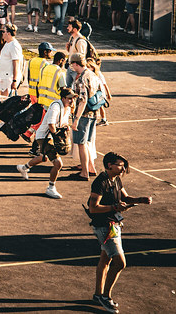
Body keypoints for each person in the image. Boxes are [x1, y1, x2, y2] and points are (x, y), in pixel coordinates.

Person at [87, 152, 152, 313]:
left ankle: (98, 294)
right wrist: (114, 207)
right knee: (120, 263)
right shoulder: (100, 182)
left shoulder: (116, 179)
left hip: (113, 224)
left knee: (105, 260)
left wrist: (139, 200)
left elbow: (125, 197)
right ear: (109, 165)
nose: (123, 169)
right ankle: (106, 297)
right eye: (120, 165)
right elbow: (93, 208)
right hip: (105, 227)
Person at [16, 86, 74, 199]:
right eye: (69, 98)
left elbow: (63, 123)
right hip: (44, 137)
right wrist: (57, 137)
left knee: (43, 158)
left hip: (48, 136)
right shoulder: (56, 106)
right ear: (63, 98)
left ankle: (23, 168)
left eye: (73, 98)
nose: (72, 101)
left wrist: (66, 127)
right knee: (58, 164)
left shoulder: (67, 108)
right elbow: (51, 124)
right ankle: (51, 188)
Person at [69, 53, 101, 181]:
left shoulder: (82, 79)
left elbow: (82, 100)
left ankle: (84, 172)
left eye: (72, 64)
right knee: (87, 142)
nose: (72, 67)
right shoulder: (92, 75)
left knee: (81, 144)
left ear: (76, 64)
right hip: (93, 113)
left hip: (83, 115)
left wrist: (76, 119)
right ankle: (91, 168)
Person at [0, 25, 23, 100]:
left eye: (4, 31)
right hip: (4, 76)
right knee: (3, 98)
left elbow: (16, 63)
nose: (2, 33)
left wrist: (14, 80)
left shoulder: (14, 45)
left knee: (6, 99)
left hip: (9, 77)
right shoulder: (7, 43)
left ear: (8, 33)